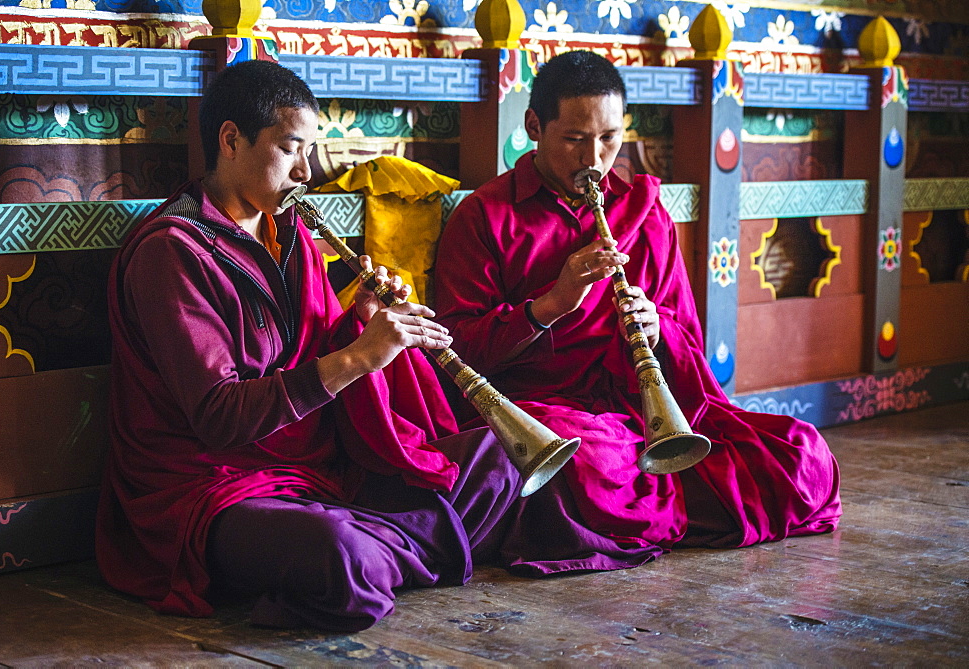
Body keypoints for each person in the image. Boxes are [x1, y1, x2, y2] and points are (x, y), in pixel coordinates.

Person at [96, 59, 657, 634]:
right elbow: (219, 417)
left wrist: (364, 321)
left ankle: (386, 550)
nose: (307, 172)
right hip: (211, 486)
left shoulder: (288, 233)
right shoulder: (172, 253)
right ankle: (387, 548)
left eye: (310, 152)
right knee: (340, 552)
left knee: (501, 460)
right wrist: (359, 356)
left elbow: (316, 347)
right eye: (292, 150)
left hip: (317, 469)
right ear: (231, 139)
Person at [434, 50, 842, 554]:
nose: (594, 160)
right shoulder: (485, 217)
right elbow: (455, 354)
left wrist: (656, 329)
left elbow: (686, 336)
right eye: (575, 140)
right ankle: (647, 503)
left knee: (803, 456)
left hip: (645, 406)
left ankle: (637, 508)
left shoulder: (645, 212)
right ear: (535, 125)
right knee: (591, 465)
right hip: (549, 410)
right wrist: (550, 306)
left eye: (609, 139)